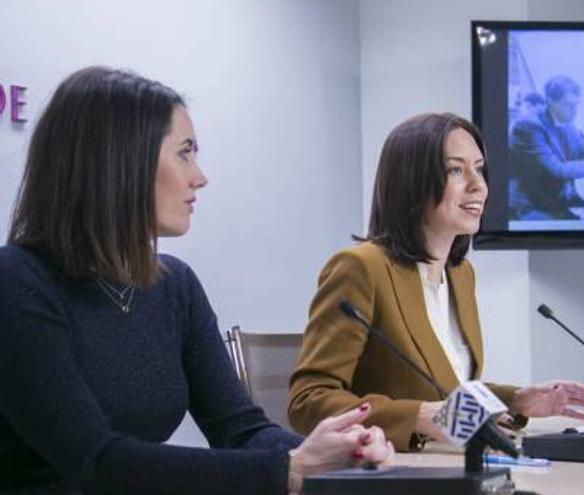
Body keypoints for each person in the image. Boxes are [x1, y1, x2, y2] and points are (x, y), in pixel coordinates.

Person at [0, 67, 392, 495]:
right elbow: (96, 460)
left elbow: (240, 429)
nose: (199, 177)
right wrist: (288, 469)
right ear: (119, 161)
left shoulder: (175, 285)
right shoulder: (16, 281)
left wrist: (337, 451)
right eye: (184, 154)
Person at [289, 113, 584, 452]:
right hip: (392, 468)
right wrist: (419, 418)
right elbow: (309, 401)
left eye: (479, 169)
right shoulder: (362, 268)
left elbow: (444, 390)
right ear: (412, 182)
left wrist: (516, 400)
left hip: (454, 463)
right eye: (455, 170)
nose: (478, 185)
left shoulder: (461, 274)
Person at [509, 76, 584, 219]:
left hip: (558, 194)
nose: (575, 110)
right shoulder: (527, 126)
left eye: (576, 105)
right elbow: (558, 170)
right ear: (550, 101)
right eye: (568, 105)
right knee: (574, 227)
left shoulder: (569, 125)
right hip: (532, 202)